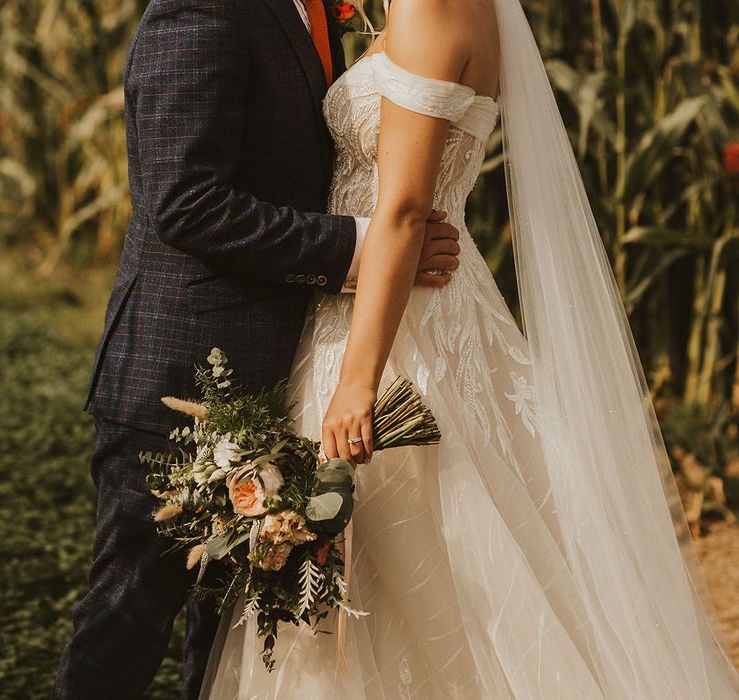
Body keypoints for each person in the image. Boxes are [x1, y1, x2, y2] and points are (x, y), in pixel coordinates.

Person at [198, 0, 739, 697]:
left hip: (399, 324)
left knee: (422, 554)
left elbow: (402, 209)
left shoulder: (433, 5)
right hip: (392, 297)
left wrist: (359, 381)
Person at [50, 0, 460, 697]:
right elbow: (185, 200)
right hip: (182, 370)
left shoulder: (315, 11)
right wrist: (361, 245)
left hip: (291, 371)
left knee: (231, 652)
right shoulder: (200, 7)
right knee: (127, 620)